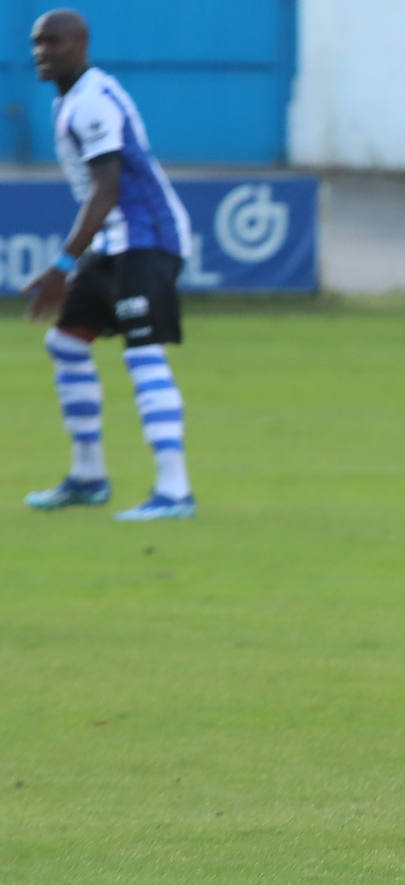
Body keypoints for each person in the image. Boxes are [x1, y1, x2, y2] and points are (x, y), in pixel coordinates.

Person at [23, 8, 195, 521]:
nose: (42, 52)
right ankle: (89, 476)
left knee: (143, 355)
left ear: (80, 45)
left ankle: (174, 490)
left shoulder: (91, 104)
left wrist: (61, 264)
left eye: (53, 42)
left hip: (149, 238)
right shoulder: (72, 100)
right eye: (37, 42)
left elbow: (107, 190)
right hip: (118, 241)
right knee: (66, 342)